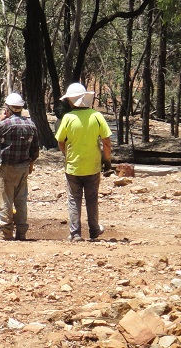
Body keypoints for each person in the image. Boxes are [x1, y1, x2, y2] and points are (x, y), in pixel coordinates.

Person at [55, 82, 112, 242]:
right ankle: (94, 231)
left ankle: (75, 234)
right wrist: (107, 162)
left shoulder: (67, 118)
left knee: (74, 199)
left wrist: (68, 155)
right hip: (93, 166)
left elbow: (60, 141)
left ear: (72, 100)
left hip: (73, 167)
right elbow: (106, 142)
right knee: (92, 198)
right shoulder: (97, 116)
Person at [0, 92, 39, 241]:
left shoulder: (5, 124)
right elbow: (35, 149)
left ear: (7, 109)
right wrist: (31, 164)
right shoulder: (31, 124)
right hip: (23, 167)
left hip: (8, 167)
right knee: (21, 200)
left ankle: (6, 233)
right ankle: (21, 233)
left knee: (5, 201)